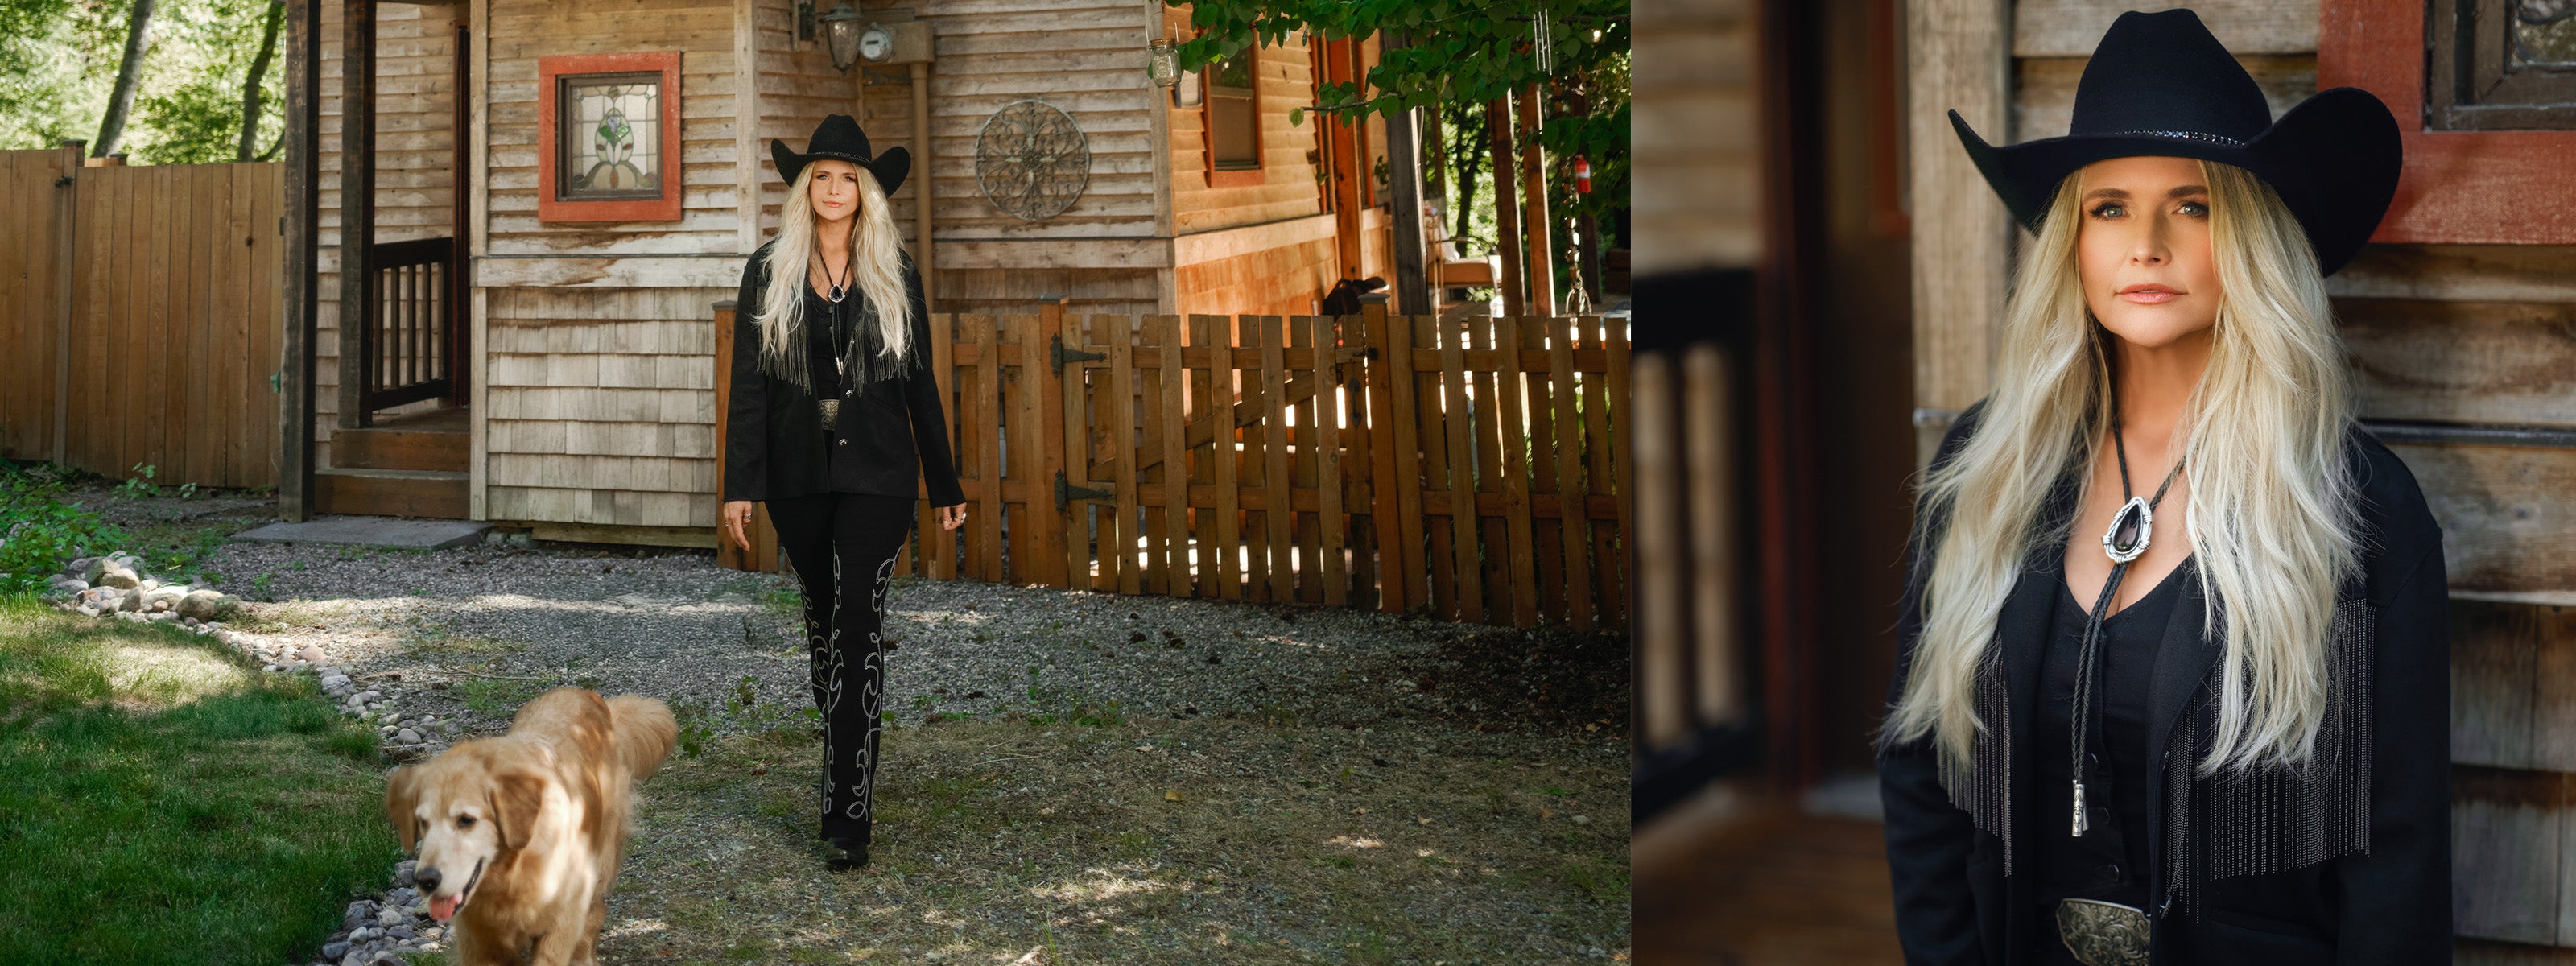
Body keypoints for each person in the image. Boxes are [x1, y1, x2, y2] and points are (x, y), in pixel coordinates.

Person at [1876, 10, 2448, 964]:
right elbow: (1920, 774)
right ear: (2070, 241)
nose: (2144, 243)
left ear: (2254, 241)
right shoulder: (1985, 466)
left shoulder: (2356, 509)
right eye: (2107, 207)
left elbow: (2395, 860)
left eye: (2192, 205)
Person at [720, 114, 968, 873]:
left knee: (859, 624)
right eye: (821, 177)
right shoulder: (769, 270)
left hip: (879, 477)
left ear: (867, 192)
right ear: (805, 189)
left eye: (847, 179)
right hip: (799, 477)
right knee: (827, 631)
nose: (834, 190)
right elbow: (751, 386)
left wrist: (943, 480)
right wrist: (741, 486)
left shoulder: (895, 270)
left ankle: (847, 816)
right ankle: (841, 763)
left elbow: (919, 381)